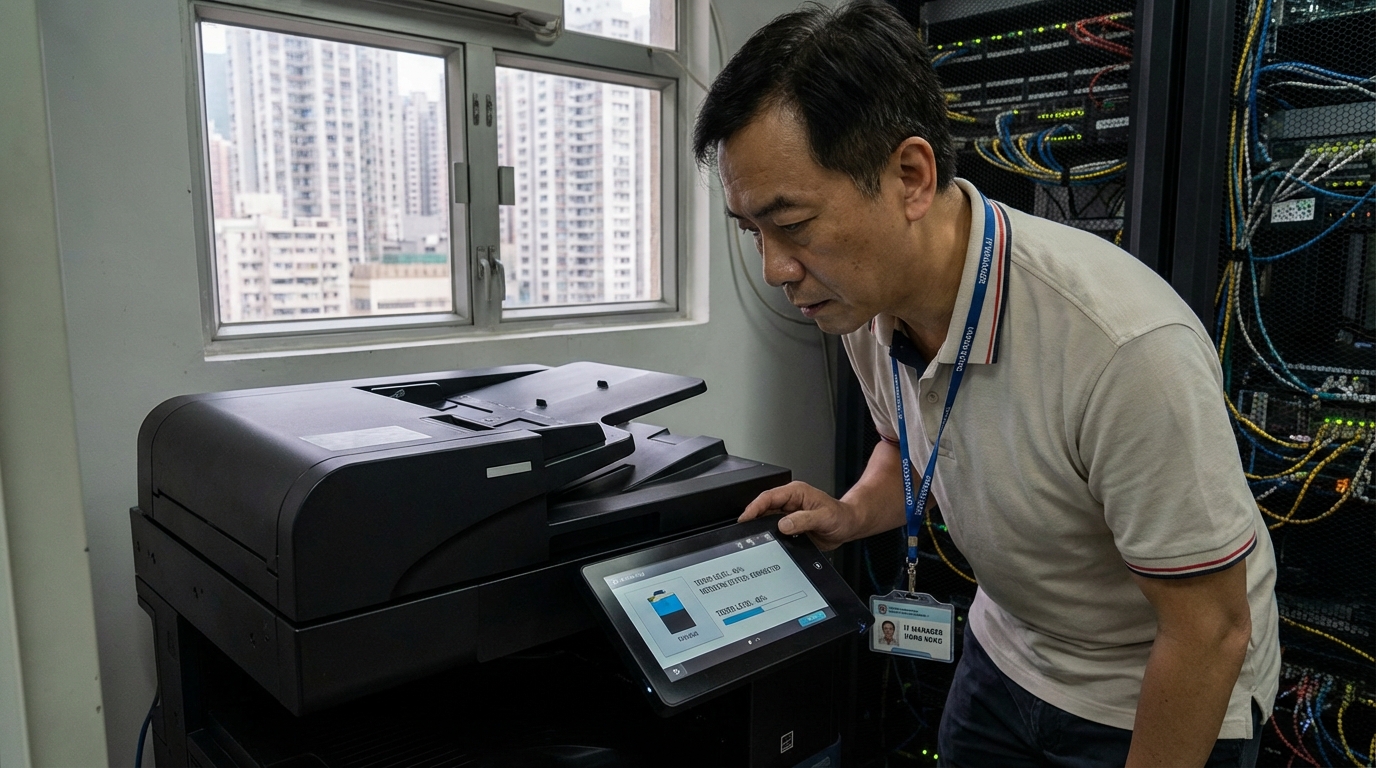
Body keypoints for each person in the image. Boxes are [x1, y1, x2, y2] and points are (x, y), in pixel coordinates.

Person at [692, 2, 1279, 767]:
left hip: (1149, 685)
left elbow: (1210, 630)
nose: (776, 268)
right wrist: (851, 513)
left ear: (910, 176)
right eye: (753, 233)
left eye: (792, 224)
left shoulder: (1123, 347)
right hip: (1006, 653)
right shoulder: (863, 304)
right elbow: (907, 441)